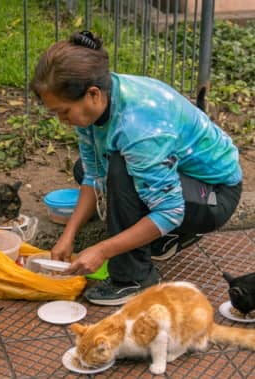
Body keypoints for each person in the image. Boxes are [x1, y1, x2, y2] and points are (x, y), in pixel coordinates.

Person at [30, 31, 242, 306]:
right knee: (87, 168)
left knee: (120, 171)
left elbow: (170, 210)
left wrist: (102, 250)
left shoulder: (139, 126)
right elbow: (94, 175)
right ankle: (165, 238)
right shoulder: (99, 102)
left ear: (93, 94)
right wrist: (67, 236)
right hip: (179, 177)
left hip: (214, 195)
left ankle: (133, 278)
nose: (62, 120)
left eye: (64, 112)